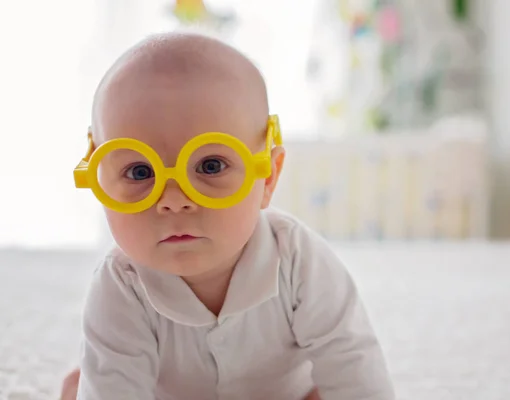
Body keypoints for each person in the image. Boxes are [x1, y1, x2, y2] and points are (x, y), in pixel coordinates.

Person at [62, 31, 395, 400]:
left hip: (286, 395)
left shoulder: (299, 260)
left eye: (210, 165)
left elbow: (353, 365)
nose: (174, 201)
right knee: (85, 385)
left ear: (267, 177)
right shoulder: (120, 285)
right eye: (141, 172)